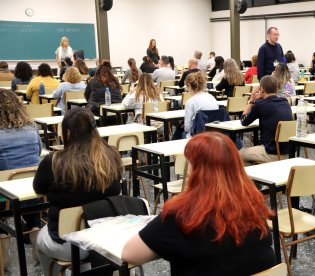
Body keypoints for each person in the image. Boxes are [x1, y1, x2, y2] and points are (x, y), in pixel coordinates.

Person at [122, 131, 276, 275]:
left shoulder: (180, 214)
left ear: (196, 171)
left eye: (189, 163)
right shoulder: (254, 205)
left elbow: (130, 254)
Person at [34, 108, 122, 275]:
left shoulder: (53, 161)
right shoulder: (111, 155)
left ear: (67, 132)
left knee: (40, 240)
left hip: (70, 243)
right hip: (106, 239)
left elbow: (38, 189)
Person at [0, 89, 42, 269]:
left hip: (5, 197)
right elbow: (39, 153)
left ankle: (3, 243)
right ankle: (35, 230)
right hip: (33, 191)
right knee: (29, 199)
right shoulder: (32, 130)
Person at [239, 75, 293, 165]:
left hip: (271, 153)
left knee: (238, 155)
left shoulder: (260, 105)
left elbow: (244, 121)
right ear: (276, 89)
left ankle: (251, 177)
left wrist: (251, 101)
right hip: (288, 152)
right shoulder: (285, 102)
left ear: (261, 89)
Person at [184, 71, 219, 138]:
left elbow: (188, 127)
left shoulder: (190, 102)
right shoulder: (211, 97)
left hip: (198, 136)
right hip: (215, 134)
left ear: (189, 85)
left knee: (179, 133)